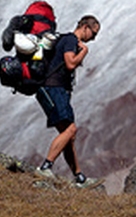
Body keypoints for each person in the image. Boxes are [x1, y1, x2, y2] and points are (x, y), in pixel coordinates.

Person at [34, 15, 103, 188]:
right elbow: (70, 63)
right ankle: (45, 167)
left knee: (68, 136)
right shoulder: (71, 40)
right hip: (54, 89)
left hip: (53, 90)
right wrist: (84, 52)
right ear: (85, 27)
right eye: (93, 34)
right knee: (71, 129)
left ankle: (79, 177)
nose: (93, 38)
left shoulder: (67, 40)